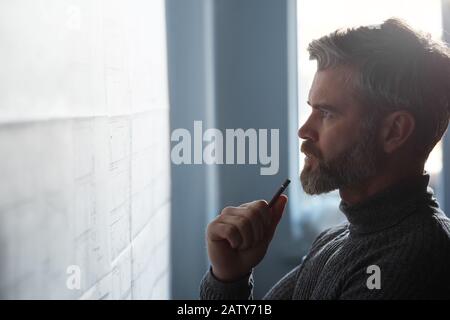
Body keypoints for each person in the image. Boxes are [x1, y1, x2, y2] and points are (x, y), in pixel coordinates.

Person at [199, 18, 450, 299]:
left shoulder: (406, 265)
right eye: (311, 110)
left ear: (394, 131)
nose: (304, 131)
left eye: (327, 113)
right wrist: (229, 276)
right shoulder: (340, 238)